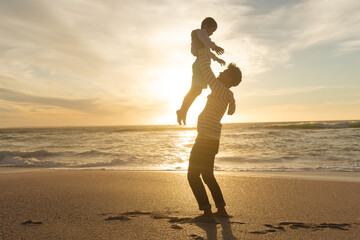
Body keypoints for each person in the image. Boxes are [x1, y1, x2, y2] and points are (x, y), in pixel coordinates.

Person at [187, 47, 242, 223]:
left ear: (230, 79)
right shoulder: (228, 94)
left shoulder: (219, 88)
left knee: (192, 175)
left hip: (204, 139)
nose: (221, 72)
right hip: (213, 140)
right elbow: (232, 109)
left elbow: (206, 71)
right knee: (208, 175)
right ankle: (221, 210)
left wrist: (203, 52)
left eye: (225, 72)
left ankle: (207, 212)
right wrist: (231, 103)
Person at [177, 17, 232, 125]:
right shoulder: (199, 32)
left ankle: (183, 110)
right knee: (195, 90)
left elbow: (208, 52)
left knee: (197, 91)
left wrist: (216, 59)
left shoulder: (204, 39)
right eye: (211, 31)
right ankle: (182, 110)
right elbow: (205, 39)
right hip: (199, 64)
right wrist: (214, 46)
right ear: (206, 26)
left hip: (202, 64)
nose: (211, 34)